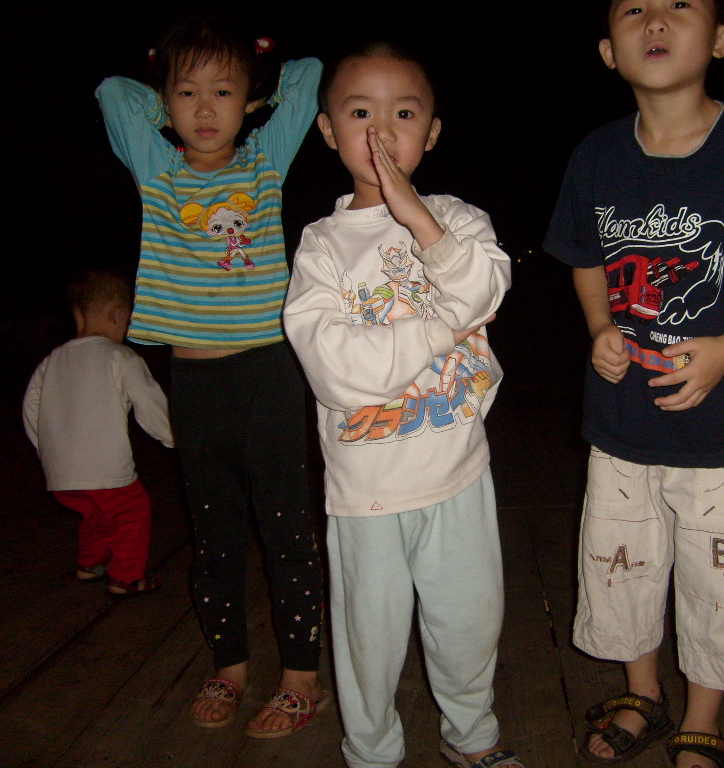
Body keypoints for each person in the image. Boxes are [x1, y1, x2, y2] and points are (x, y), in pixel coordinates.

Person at [543, 1, 724, 767]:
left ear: (722, 39)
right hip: (622, 421)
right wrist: (600, 327)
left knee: (720, 579)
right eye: (635, 8)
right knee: (621, 566)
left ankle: (702, 717)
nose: (656, 21)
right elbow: (584, 256)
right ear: (608, 51)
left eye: (681, 4)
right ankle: (642, 693)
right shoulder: (596, 155)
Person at [283, 42, 522, 768]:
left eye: (404, 114)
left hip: (457, 472)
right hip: (366, 492)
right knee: (369, 638)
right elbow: (334, 369)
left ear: (433, 132)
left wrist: (420, 221)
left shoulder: (459, 221)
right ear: (328, 131)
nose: (381, 132)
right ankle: (371, 752)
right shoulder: (322, 246)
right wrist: (440, 330)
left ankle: (473, 738)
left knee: (469, 622)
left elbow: (484, 288)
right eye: (360, 113)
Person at [95, 13, 328, 736]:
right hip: (194, 383)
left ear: (248, 102)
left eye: (223, 93)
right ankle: (230, 665)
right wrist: (165, 89)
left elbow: (310, 75)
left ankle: (301, 675)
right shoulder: (156, 170)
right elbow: (111, 91)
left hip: (269, 373)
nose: (204, 109)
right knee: (215, 534)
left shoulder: (264, 161)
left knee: (287, 529)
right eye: (187, 93)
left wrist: (258, 89)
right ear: (164, 104)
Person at [22, 268, 173, 597]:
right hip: (105, 469)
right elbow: (150, 403)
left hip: (60, 471)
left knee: (95, 511)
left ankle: (90, 563)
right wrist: (175, 437)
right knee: (132, 510)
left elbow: (32, 409)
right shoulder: (120, 356)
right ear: (117, 314)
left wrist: (48, 450)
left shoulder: (52, 360)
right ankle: (127, 576)